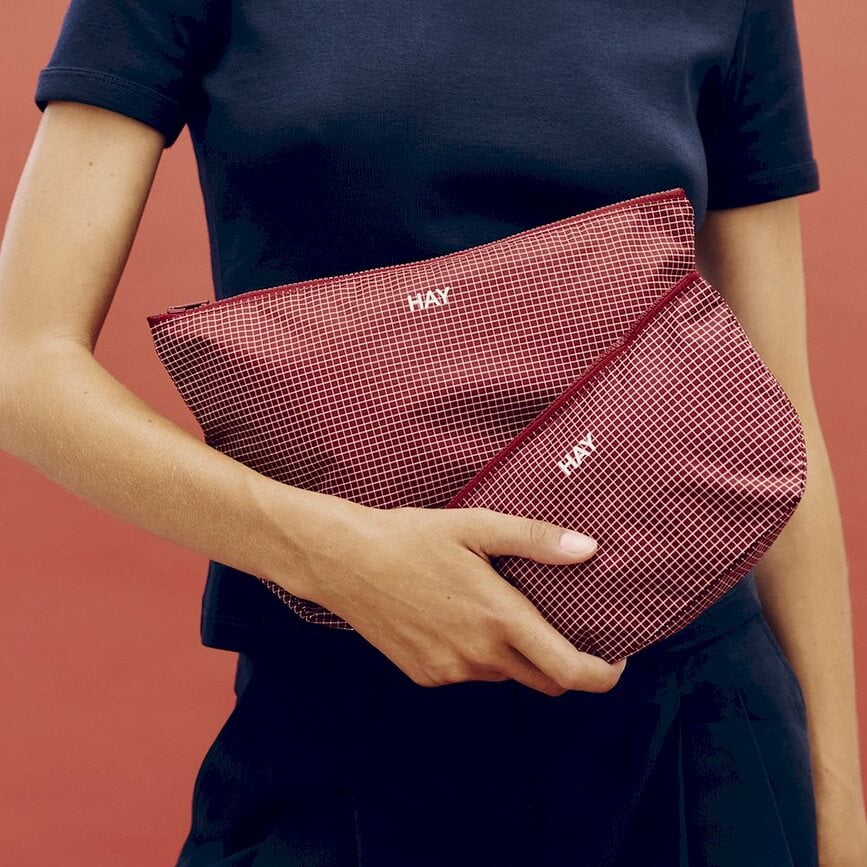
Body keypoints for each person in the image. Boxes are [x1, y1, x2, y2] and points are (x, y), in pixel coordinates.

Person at [1, 0, 865, 864]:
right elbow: (21, 363)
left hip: (694, 739)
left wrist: (839, 813)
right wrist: (334, 556)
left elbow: (775, 403)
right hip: (348, 723)